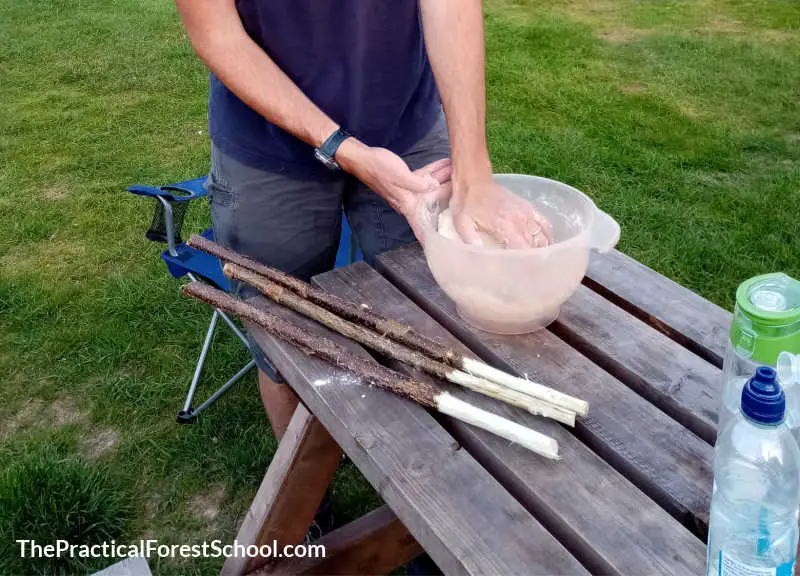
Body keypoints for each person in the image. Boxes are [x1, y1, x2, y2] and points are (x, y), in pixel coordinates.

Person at [174, 0, 548, 466]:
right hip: (266, 146)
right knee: (285, 336)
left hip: (405, 128)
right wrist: (340, 147)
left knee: (439, 317)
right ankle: (305, 507)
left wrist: (474, 170)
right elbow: (218, 35)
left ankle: (431, 479)